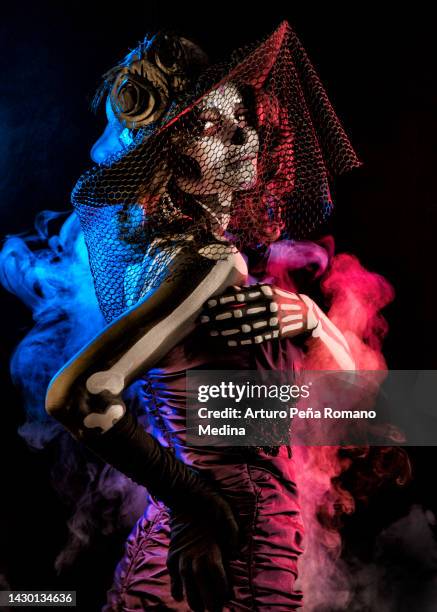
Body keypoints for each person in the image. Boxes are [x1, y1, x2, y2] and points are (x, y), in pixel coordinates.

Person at [45, 23, 360, 610]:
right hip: (226, 552)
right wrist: (197, 505)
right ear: (172, 151)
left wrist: (310, 316)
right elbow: (77, 396)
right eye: (211, 126)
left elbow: (355, 414)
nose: (242, 138)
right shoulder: (208, 261)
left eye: (245, 122)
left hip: (220, 544)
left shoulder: (180, 260)